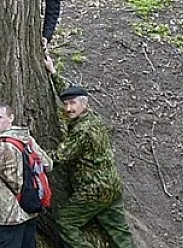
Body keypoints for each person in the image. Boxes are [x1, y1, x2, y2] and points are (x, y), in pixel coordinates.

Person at [54, 86, 135, 248]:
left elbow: (60, 156)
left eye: (72, 104)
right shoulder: (93, 118)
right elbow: (73, 94)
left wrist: (34, 154)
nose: (68, 108)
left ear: (84, 104)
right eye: (66, 104)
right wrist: (54, 74)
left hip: (93, 189)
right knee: (120, 233)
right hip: (111, 185)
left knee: (65, 221)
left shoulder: (82, 130)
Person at [0, 104, 53, 248]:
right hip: (30, 210)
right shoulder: (27, 140)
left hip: (9, 217)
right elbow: (48, 164)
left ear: (11, 118)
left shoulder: (2, 148)